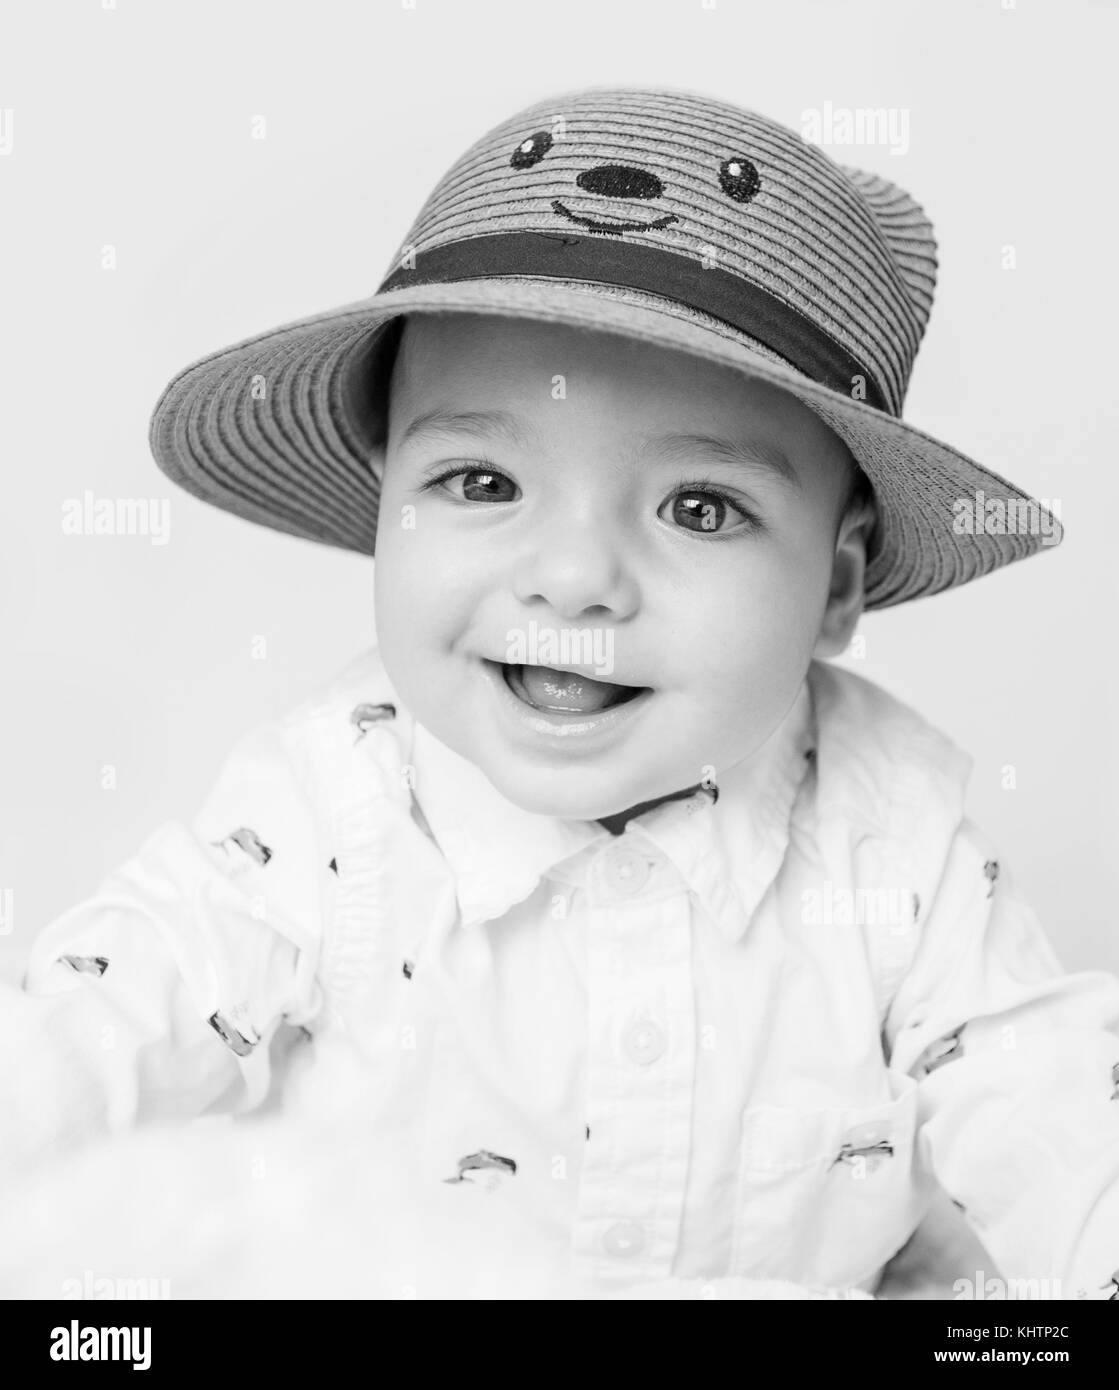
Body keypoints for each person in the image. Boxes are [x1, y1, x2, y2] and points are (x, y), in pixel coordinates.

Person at [4, 85, 1115, 1300]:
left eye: (700, 508)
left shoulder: (897, 841)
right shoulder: (328, 808)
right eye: (482, 480)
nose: (576, 579)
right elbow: (100, 1025)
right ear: (386, 506)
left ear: (836, 589)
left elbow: (1050, 1095)